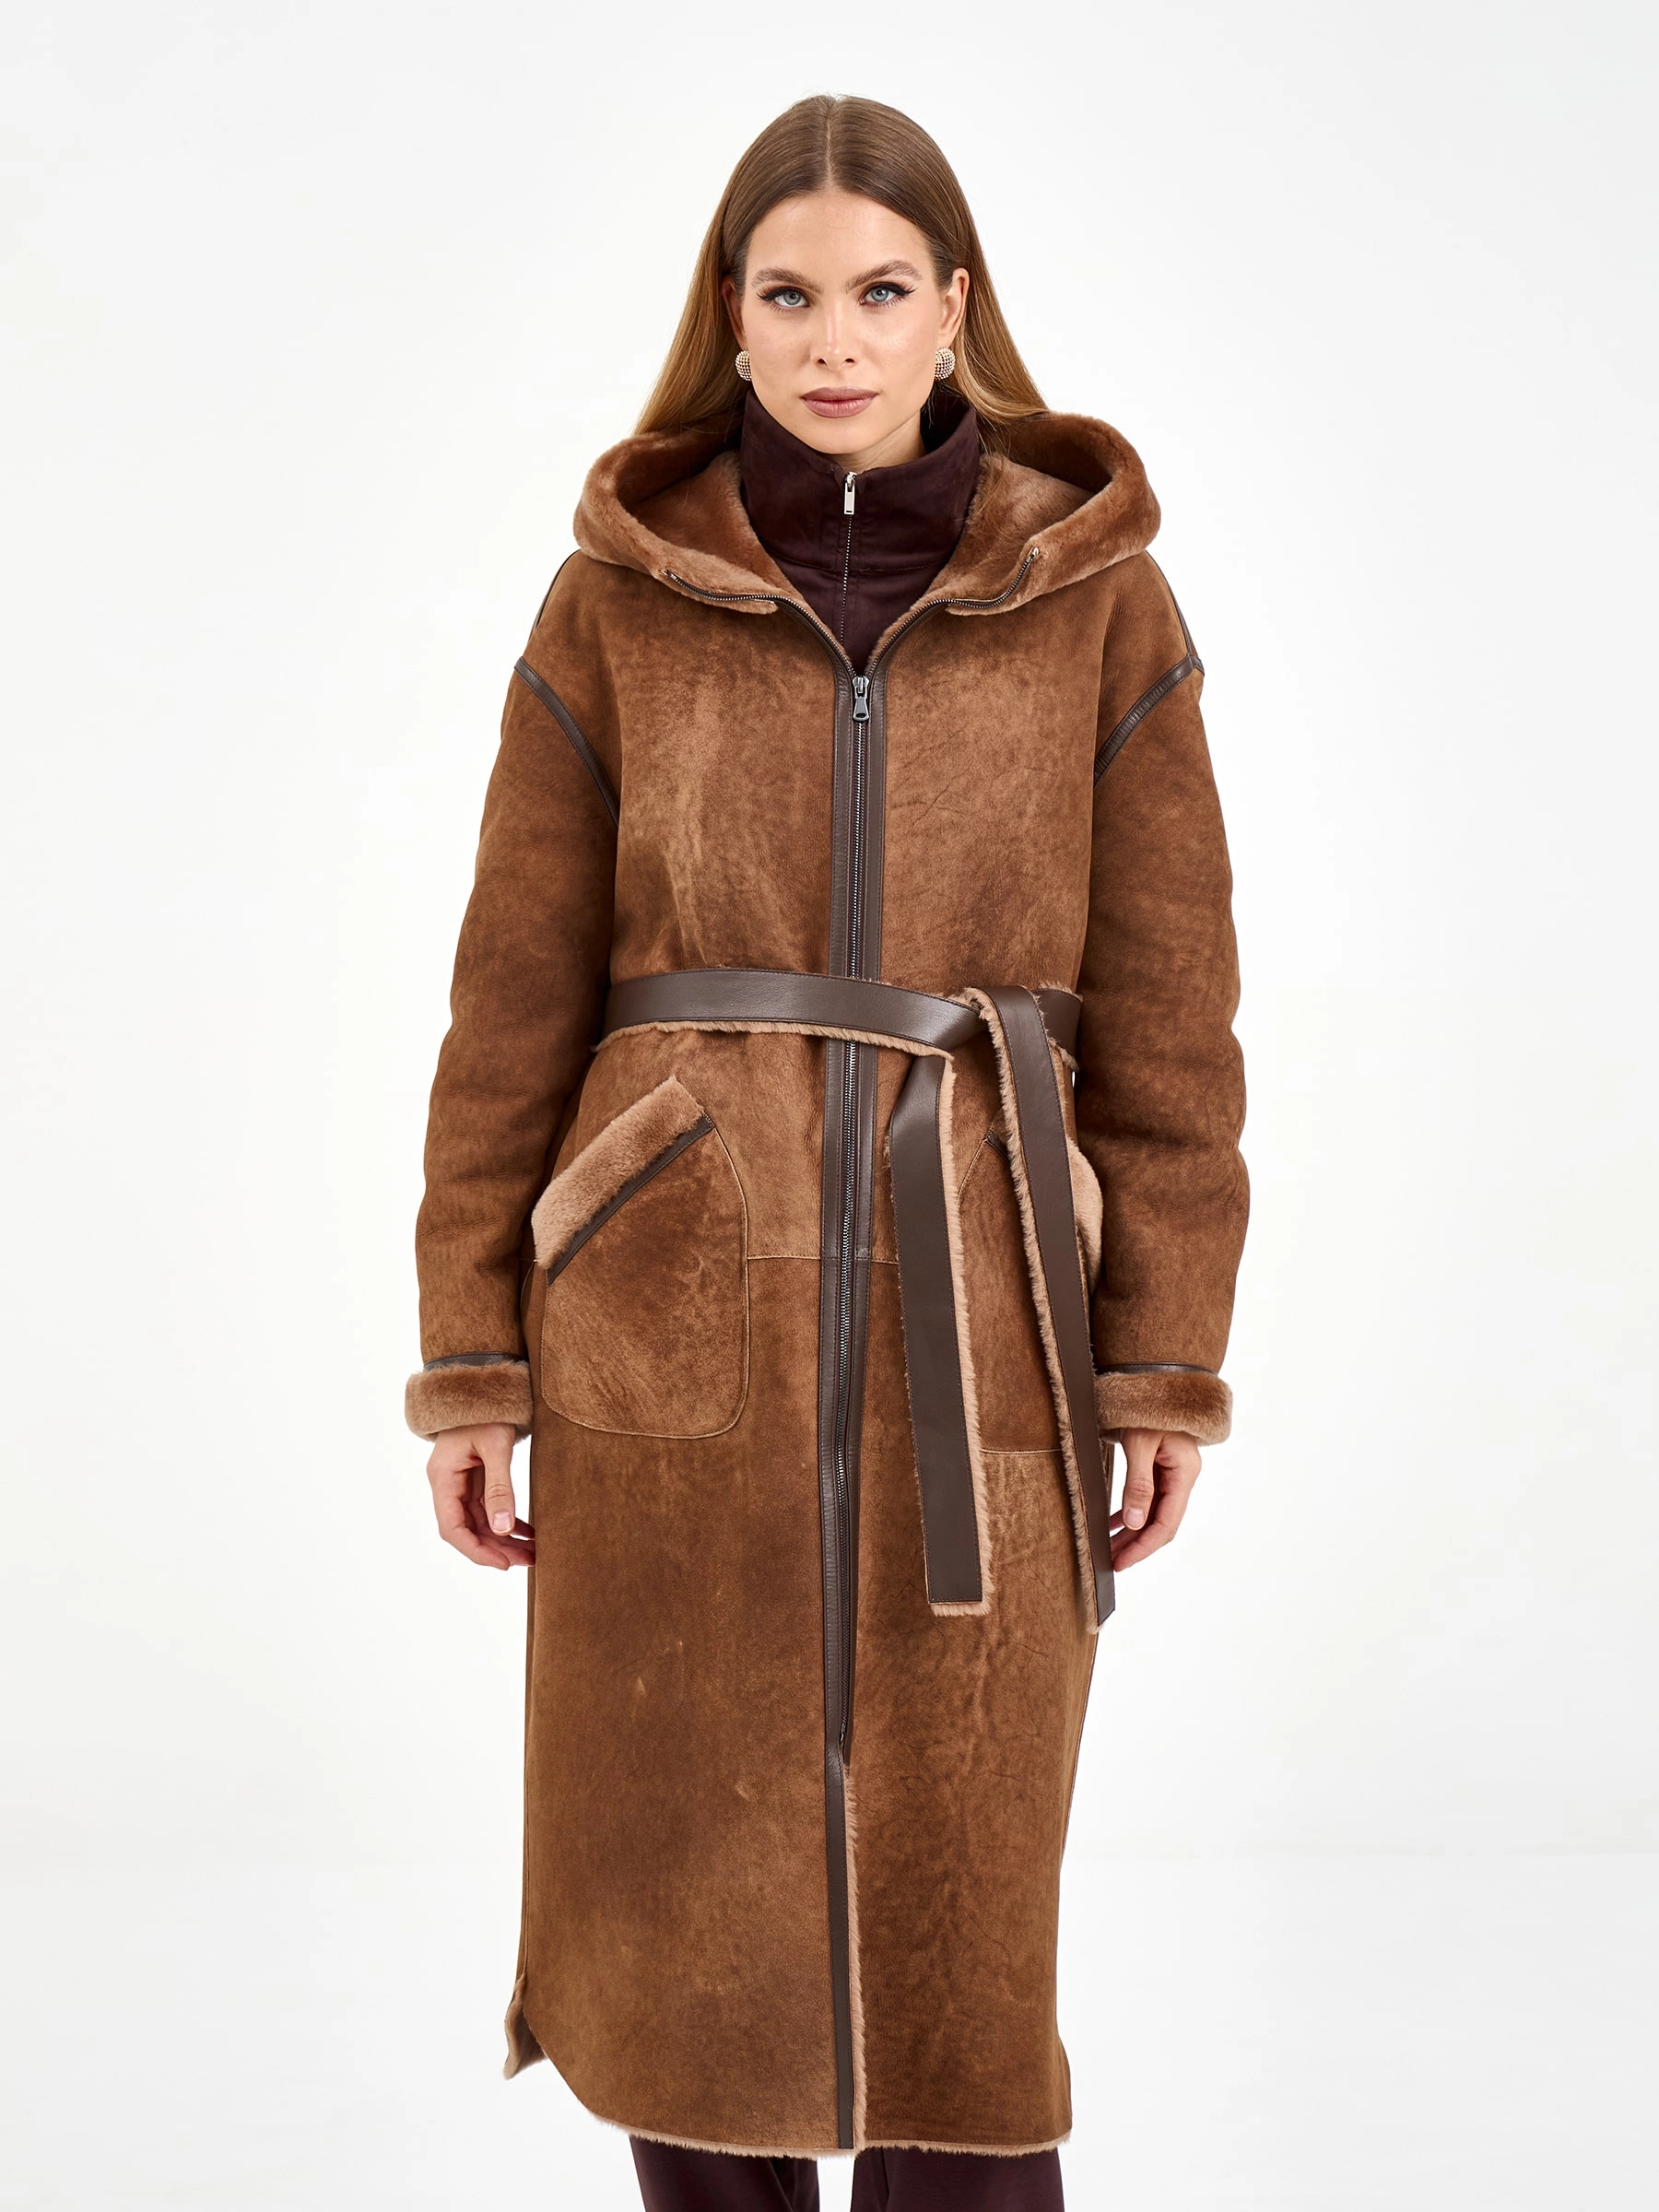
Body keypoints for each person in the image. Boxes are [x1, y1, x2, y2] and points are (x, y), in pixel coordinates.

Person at [406, 93, 1247, 2212]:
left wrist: (1160, 1359)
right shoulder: (613, 605)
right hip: (666, 1299)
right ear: (732, 313)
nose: (836, 338)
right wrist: (473, 1354)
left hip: (992, 1300)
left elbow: (1174, 1022)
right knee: (686, 1887)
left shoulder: (1100, 607)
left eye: (880, 291)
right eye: (789, 295)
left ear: (957, 307)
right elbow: (507, 1006)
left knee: (965, 1912)